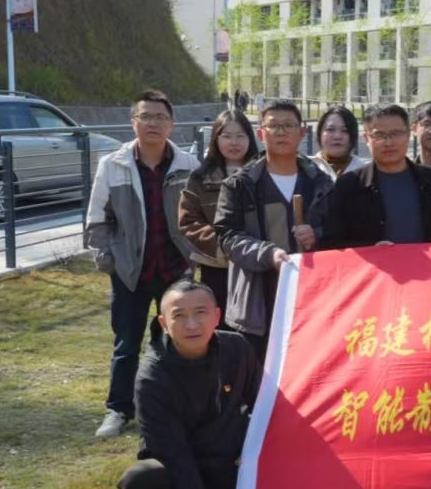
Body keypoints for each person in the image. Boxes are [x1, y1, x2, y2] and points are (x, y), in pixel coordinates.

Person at [117, 279, 261, 489]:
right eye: (179, 315)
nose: (192, 324)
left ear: (217, 316)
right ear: (163, 323)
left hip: (230, 468)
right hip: (180, 473)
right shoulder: (152, 378)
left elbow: (264, 406)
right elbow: (175, 458)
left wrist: (254, 451)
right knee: (141, 479)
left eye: (200, 313)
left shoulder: (237, 348)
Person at [86, 89, 198, 439]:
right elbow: (97, 219)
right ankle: (119, 409)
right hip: (130, 272)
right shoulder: (113, 165)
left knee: (176, 342)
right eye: (145, 116)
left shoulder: (188, 165)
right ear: (133, 121)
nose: (153, 123)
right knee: (126, 344)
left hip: (175, 270)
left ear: (172, 124)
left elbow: (201, 215)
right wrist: (108, 260)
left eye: (160, 117)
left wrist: (193, 259)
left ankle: (175, 408)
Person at [215, 100, 333, 359]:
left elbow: (338, 231)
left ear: (302, 132)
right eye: (274, 126)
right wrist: (268, 254)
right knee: (260, 370)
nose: (281, 132)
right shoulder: (240, 185)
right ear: (261, 133)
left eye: (288, 125)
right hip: (258, 297)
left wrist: (317, 235)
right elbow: (229, 237)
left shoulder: (322, 183)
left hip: (311, 294)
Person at [320, 104, 431, 248]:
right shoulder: (349, 185)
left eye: (396, 133)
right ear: (366, 138)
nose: (389, 142)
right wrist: (370, 249)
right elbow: (333, 242)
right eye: (379, 135)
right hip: (372, 263)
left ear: (408, 135)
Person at [178, 110, 261, 312]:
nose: (234, 142)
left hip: (258, 263)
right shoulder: (200, 177)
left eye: (240, 136)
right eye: (227, 136)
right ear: (216, 138)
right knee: (219, 319)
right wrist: (223, 248)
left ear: (250, 139)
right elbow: (189, 221)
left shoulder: (263, 173)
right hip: (216, 265)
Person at [311, 105, 368, 182]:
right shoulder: (306, 169)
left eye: (345, 130)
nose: (337, 136)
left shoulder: (365, 173)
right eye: (330, 129)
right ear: (319, 133)